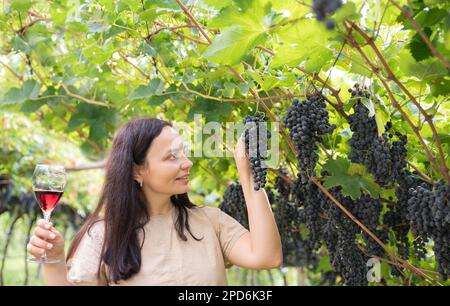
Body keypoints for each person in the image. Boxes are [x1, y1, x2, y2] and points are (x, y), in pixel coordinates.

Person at [27, 117, 282, 285]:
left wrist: (248, 174)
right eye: (171, 156)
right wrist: (54, 260)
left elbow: (267, 257)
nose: (187, 162)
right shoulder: (104, 235)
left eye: (183, 152)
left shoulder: (210, 222)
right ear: (137, 171)